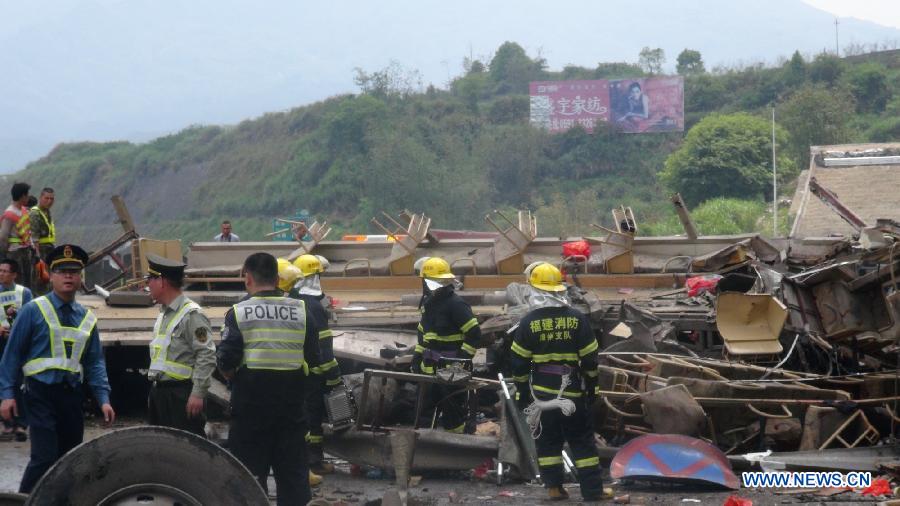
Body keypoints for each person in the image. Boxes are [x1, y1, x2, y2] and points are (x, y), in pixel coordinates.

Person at [0, 244, 115, 494]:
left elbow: (95, 362)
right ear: (51, 276)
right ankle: (25, 501)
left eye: (74, 271)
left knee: (70, 459)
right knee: (44, 457)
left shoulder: (86, 318)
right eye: (62, 271)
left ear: (81, 277)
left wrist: (103, 399)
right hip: (40, 394)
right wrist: (7, 395)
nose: (68, 276)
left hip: (71, 397)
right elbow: (12, 356)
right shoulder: (33, 310)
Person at [217, 252, 322, 506]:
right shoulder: (302, 311)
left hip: (250, 416)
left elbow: (226, 362)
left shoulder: (239, 313)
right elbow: (313, 359)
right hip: (291, 414)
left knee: (248, 483)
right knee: (295, 484)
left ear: (248, 278)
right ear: (277, 279)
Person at [509, 262, 611, 501]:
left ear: (533, 290)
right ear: (560, 289)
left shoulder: (528, 323)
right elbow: (590, 359)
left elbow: (519, 363)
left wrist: (522, 392)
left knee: (548, 441)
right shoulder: (577, 319)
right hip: (572, 393)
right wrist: (593, 387)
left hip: (542, 395)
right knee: (582, 442)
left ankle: (554, 488)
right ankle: (592, 492)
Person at [145, 254, 215, 437]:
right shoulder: (163, 314)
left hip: (181, 396)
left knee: (186, 451)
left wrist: (198, 393)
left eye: (150, 279)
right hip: (161, 394)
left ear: (162, 281)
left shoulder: (192, 315)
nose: (147, 285)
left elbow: (206, 355)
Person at [410, 257, 481, 434]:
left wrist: (460, 362)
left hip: (452, 372)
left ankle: (458, 451)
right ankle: (424, 451)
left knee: (454, 417)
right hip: (429, 371)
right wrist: (417, 358)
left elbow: (474, 334)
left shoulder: (456, 305)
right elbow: (423, 334)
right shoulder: (429, 305)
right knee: (423, 416)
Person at [291, 254, 341, 475]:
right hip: (314, 374)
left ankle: (305, 460)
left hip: (297, 371)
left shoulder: (294, 301)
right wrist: (334, 375)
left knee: (303, 415)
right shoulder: (313, 306)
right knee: (313, 418)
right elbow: (324, 344)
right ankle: (314, 462)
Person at [0, 259, 32, 441]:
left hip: (18, 342)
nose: (1, 274)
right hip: (1, 341)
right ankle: (7, 423)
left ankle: (21, 424)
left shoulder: (24, 293)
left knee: (20, 383)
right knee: (3, 382)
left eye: (5, 271)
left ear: (14, 275)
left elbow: (30, 316)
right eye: (0, 270)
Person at [0, 183, 35, 290]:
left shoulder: (24, 210)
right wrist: (3, 255)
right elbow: (3, 237)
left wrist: (32, 247)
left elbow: (28, 231)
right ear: (22, 196)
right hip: (14, 252)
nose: (28, 197)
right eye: (27, 195)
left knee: (27, 281)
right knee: (17, 282)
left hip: (26, 250)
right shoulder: (9, 214)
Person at [29, 188, 55, 295]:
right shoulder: (35, 213)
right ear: (41, 198)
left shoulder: (47, 212)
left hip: (49, 250)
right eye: (47, 198)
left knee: (48, 280)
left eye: (52, 199)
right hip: (40, 252)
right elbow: (34, 237)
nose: (49, 201)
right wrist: (38, 257)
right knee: (40, 281)